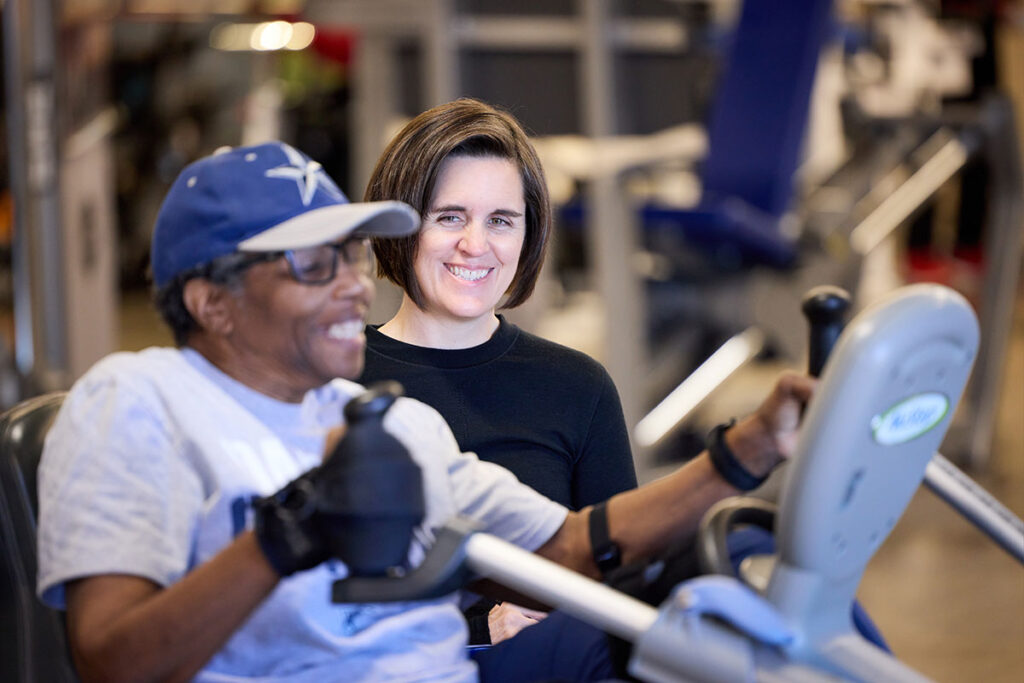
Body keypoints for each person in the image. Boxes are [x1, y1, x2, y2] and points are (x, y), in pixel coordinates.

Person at [36, 140, 814, 682]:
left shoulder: (394, 423)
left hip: (456, 670)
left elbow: (572, 542)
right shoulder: (137, 400)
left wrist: (743, 452)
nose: (351, 283)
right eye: (314, 264)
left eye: (349, 256)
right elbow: (111, 661)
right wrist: (288, 534)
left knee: (727, 614)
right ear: (213, 301)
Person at [358, 98, 638, 643]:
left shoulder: (577, 386)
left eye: (501, 221)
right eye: (450, 217)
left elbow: (620, 575)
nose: (476, 245)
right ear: (400, 225)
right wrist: (477, 631)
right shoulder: (338, 385)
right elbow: (302, 602)